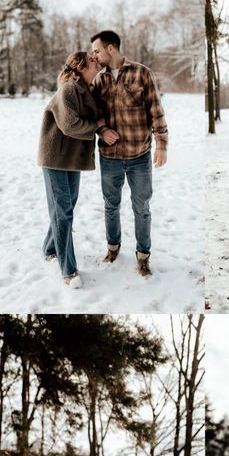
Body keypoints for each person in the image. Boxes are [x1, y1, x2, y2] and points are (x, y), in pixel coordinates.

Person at [90, 30, 168, 276]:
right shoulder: (98, 80)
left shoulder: (141, 73)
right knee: (110, 205)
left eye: (97, 50)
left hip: (139, 155)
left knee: (141, 207)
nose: (95, 56)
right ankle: (113, 248)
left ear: (110, 48)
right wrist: (101, 129)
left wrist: (162, 144)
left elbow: (155, 109)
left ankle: (143, 256)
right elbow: (93, 113)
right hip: (109, 157)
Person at [38, 51, 119, 288]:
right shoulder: (69, 89)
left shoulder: (86, 90)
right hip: (55, 157)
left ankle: (50, 247)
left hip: (70, 158)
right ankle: (68, 270)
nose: (96, 61)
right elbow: (69, 124)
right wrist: (98, 128)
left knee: (66, 207)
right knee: (63, 211)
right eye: (91, 61)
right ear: (80, 67)